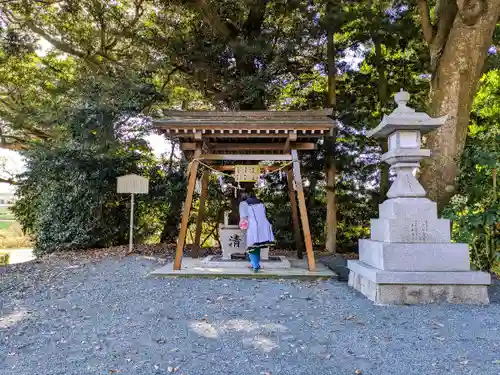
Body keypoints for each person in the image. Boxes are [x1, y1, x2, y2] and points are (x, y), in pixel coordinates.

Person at [239, 189, 275, 273]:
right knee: (257, 246)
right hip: (264, 224)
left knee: (251, 246)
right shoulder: (261, 202)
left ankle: (255, 266)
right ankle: (256, 263)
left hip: (252, 226)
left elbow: (243, 217)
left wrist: (242, 226)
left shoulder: (243, 203)